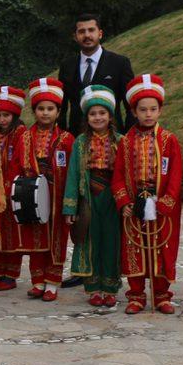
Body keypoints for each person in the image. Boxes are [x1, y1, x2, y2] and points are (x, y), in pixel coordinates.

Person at [112, 74, 182, 314]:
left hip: (161, 205)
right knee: (134, 249)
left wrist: (167, 202)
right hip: (135, 204)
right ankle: (136, 295)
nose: (148, 114)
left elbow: (175, 174)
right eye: (143, 110)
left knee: (161, 249)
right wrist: (123, 201)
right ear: (134, 112)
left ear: (160, 110)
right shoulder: (125, 142)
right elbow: (118, 176)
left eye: (153, 109)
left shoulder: (169, 140)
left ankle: (162, 295)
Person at [11, 78, 74, 302]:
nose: (45, 113)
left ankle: (52, 282)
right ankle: (37, 281)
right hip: (32, 196)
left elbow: (72, 172)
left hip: (57, 196)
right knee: (35, 239)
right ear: (34, 111)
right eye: (40, 109)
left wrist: (71, 203)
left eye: (50, 109)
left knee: (57, 239)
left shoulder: (67, 139)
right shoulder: (24, 137)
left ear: (58, 112)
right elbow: (16, 166)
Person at [62, 86, 122, 307]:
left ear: (110, 116)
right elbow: (72, 175)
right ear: (87, 118)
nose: (98, 117)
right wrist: (70, 207)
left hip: (112, 198)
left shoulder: (121, 141)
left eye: (102, 113)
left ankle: (110, 287)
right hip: (88, 199)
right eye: (93, 114)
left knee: (111, 242)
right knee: (90, 243)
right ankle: (93, 288)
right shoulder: (80, 142)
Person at [58, 13, 137, 136]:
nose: (87, 35)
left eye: (91, 30)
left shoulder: (120, 63)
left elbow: (131, 107)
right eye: (82, 31)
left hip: (112, 138)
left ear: (100, 33)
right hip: (76, 138)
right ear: (75, 36)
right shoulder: (67, 66)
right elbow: (61, 109)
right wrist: (61, 137)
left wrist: (128, 137)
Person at [0, 86, 30, 291]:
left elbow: (18, 162)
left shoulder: (20, 133)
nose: (2, 120)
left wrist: (6, 186)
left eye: (6, 115)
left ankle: (11, 274)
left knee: (12, 234)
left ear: (14, 116)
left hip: (11, 191)